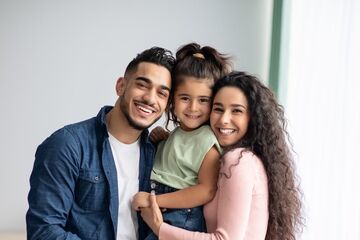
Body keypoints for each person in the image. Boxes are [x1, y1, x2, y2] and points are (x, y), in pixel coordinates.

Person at [26, 47, 175, 240]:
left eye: (162, 93)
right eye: (142, 85)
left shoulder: (159, 153)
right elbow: (44, 231)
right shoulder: (67, 145)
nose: (150, 98)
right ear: (121, 86)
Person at [140, 71, 304, 240]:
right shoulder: (238, 158)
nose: (224, 119)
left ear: (253, 118)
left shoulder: (238, 161)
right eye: (218, 109)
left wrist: (159, 228)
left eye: (237, 111)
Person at [131, 43, 232, 239]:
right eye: (185, 98)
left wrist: (156, 200)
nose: (193, 108)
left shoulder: (207, 140)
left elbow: (206, 190)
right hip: (162, 207)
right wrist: (163, 141)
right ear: (172, 100)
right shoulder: (177, 134)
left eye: (203, 100)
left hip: (180, 216)